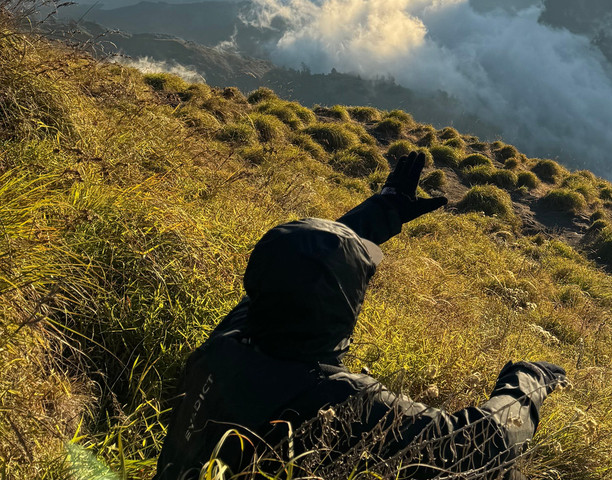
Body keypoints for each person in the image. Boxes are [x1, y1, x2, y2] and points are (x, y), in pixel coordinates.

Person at [153, 151, 566, 480]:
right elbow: (482, 445)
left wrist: (384, 209)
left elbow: (302, 268)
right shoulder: (334, 401)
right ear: (343, 302)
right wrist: (530, 379)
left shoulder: (231, 340)